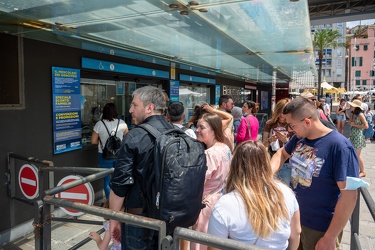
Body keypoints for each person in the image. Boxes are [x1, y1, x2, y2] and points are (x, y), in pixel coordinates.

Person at [270, 97, 359, 250]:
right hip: (295, 220)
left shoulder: (340, 147)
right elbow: (281, 154)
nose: (290, 130)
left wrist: (330, 237)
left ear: (307, 122)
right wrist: (265, 175)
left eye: (292, 125)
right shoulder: (300, 138)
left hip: (320, 229)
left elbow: (349, 196)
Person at [109, 86, 173, 249]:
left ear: (149, 108)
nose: (130, 109)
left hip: (138, 220)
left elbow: (120, 184)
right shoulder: (175, 133)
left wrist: (114, 219)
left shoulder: (135, 136)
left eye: (134, 105)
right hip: (169, 219)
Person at [208, 141, 300, 249]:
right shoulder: (286, 193)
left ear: (235, 166)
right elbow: (296, 233)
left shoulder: (225, 204)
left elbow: (214, 247)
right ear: (266, 163)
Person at [189, 110, 232, 250]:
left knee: (200, 242)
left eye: (202, 127)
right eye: (197, 126)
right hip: (220, 199)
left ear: (213, 130)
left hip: (205, 205)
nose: (197, 130)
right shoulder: (224, 147)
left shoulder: (209, 154)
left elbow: (198, 182)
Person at [91, 103, 128, 199]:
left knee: (106, 180)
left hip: (104, 155)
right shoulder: (122, 123)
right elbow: (127, 138)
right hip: (119, 155)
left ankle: (109, 201)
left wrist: (103, 141)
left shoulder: (99, 124)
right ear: (115, 111)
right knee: (119, 178)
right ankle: (119, 200)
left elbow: (93, 141)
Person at [262, 98, 293, 185]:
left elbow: (297, 147)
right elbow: (263, 144)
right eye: (280, 111)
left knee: (285, 190)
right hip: (272, 160)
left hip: (287, 163)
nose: (282, 115)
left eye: (284, 112)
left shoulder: (293, 125)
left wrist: (286, 141)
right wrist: (270, 140)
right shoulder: (270, 123)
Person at [348, 100, 368, 177]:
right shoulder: (354, 114)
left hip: (358, 136)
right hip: (353, 135)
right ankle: (355, 169)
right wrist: (351, 122)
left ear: (355, 107)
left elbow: (366, 126)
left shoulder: (360, 115)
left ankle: (362, 171)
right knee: (353, 154)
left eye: (351, 106)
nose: (350, 107)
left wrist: (355, 125)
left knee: (357, 155)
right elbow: (351, 123)